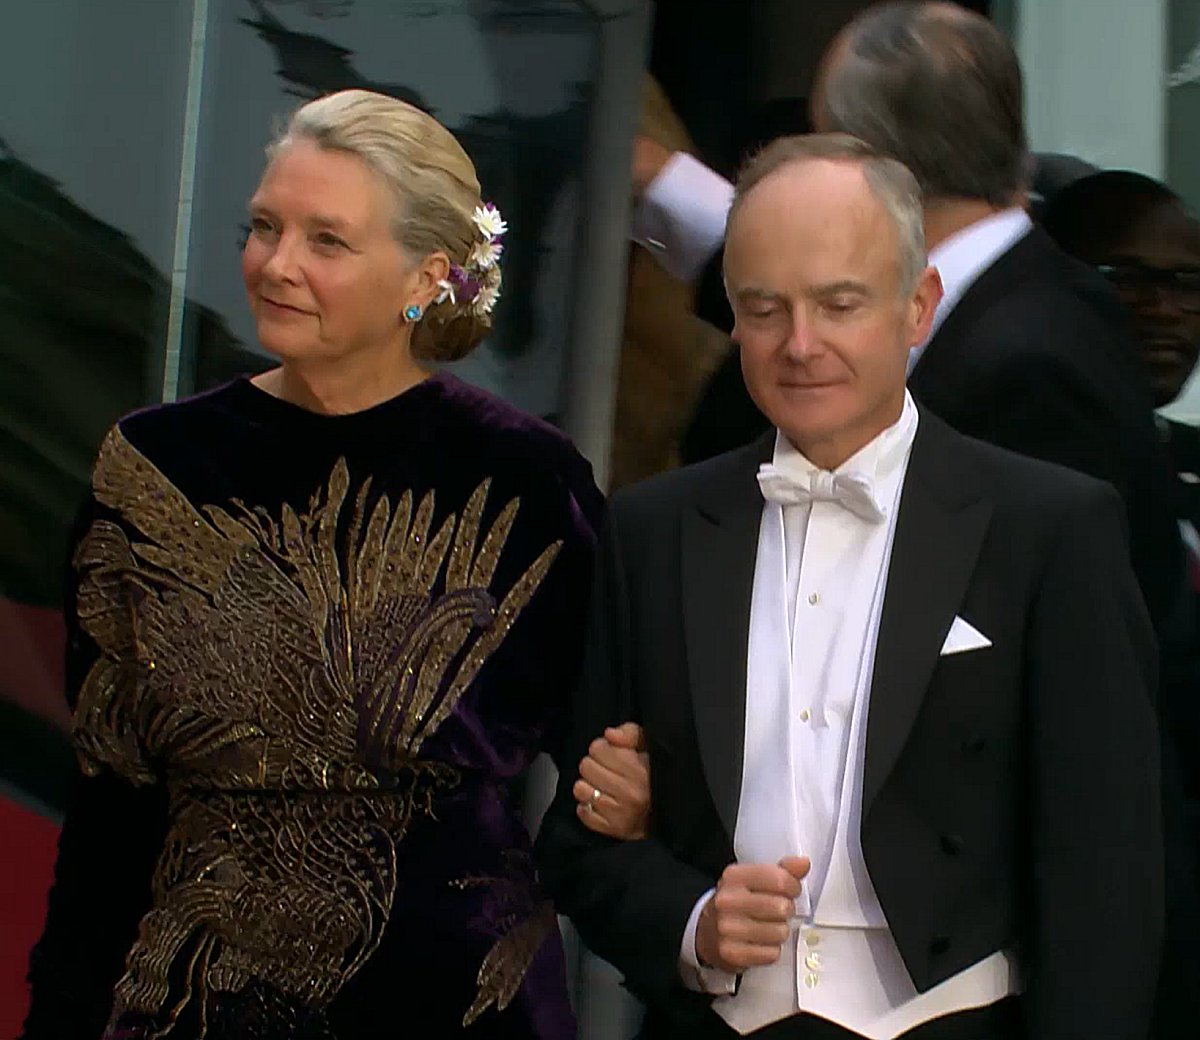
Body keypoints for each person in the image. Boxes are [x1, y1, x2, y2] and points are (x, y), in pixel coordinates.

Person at [19, 88, 653, 1040]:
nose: (276, 265)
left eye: (327, 241)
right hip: (189, 1003)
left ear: (425, 275)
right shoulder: (154, 465)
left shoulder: (524, 480)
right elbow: (110, 801)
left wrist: (621, 807)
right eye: (265, 228)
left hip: (454, 1008)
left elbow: (608, 753)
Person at [537, 133, 1163, 1040]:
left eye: (839, 304)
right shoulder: (654, 533)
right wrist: (693, 922)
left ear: (919, 307)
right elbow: (582, 842)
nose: (800, 345)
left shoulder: (1048, 529)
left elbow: (1106, 873)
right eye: (764, 309)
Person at [632, 3, 1187, 648]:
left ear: (869, 166)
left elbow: (1039, 647)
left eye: (820, 149)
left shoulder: (1035, 364)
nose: (802, 343)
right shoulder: (1027, 302)